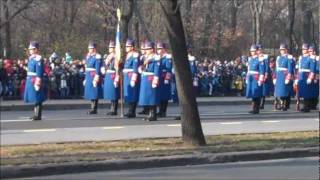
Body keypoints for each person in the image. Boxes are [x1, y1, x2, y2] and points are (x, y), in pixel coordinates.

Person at [23, 41, 46, 120]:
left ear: (36, 49)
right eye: (30, 49)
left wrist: (38, 82)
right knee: (35, 98)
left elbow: (39, 71)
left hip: (35, 80)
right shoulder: (31, 58)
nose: (30, 51)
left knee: (38, 98)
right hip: (30, 79)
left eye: (32, 49)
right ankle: (35, 114)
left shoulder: (38, 59)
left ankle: (38, 115)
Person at [138, 40, 161, 121]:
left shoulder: (155, 57)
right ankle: (150, 114)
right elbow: (143, 66)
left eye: (148, 49)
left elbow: (157, 69)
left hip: (151, 78)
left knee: (152, 97)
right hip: (145, 78)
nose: (146, 50)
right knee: (147, 97)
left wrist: (155, 79)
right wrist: (141, 68)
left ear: (151, 49)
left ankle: (153, 115)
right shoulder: (146, 57)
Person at [295, 43, 315, 112]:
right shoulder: (301, 58)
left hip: (307, 76)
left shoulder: (311, 58)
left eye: (305, 49)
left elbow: (312, 69)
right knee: (302, 92)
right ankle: (304, 106)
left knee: (307, 92)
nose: (303, 50)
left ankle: (307, 106)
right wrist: (297, 78)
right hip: (301, 76)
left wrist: (310, 78)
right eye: (303, 49)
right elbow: (299, 69)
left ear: (308, 50)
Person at [273, 43, 294, 111]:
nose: (281, 51)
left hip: (285, 75)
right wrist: (274, 77)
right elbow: (276, 68)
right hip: (279, 75)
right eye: (281, 50)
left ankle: (285, 105)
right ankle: (281, 104)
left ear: (286, 50)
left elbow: (290, 69)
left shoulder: (289, 57)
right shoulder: (279, 58)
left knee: (285, 91)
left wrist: (288, 77)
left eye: (283, 49)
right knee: (280, 91)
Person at [84, 41, 103, 114]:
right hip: (89, 75)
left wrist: (96, 77)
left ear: (94, 49)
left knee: (94, 92)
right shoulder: (89, 56)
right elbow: (87, 67)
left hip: (93, 75)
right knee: (90, 92)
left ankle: (94, 108)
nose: (89, 50)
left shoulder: (97, 56)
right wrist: (85, 78)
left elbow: (98, 68)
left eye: (91, 48)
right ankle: (92, 107)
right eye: (89, 48)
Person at [245, 44, 265, 114]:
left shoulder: (260, 59)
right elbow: (248, 70)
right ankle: (253, 108)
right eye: (251, 51)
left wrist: (260, 79)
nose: (252, 52)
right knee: (253, 94)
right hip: (251, 78)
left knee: (257, 94)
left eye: (253, 51)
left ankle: (257, 109)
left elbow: (262, 71)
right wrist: (247, 78)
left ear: (256, 51)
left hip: (256, 78)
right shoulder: (250, 59)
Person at [123, 39, 140, 118]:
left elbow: (135, 68)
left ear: (132, 47)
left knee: (133, 94)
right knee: (128, 94)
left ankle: (132, 111)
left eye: (128, 46)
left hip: (131, 76)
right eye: (126, 46)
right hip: (126, 76)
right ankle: (130, 110)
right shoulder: (127, 55)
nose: (126, 47)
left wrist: (134, 78)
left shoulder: (135, 55)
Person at [102, 41, 120, 115]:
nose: (109, 48)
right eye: (109, 47)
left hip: (113, 74)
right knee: (110, 92)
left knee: (114, 93)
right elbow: (106, 65)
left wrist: (117, 76)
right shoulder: (109, 56)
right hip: (108, 74)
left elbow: (117, 68)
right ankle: (111, 108)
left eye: (111, 47)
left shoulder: (116, 56)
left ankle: (114, 109)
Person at [156, 41, 172, 118]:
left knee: (164, 96)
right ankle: (160, 110)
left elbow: (169, 69)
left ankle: (163, 111)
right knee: (159, 95)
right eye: (157, 48)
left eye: (160, 48)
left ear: (164, 49)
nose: (158, 50)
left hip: (164, 78)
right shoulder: (158, 57)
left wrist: (167, 78)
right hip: (159, 78)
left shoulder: (167, 57)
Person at [256, 44, 271, 109]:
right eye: (258, 50)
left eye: (259, 49)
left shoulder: (265, 56)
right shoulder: (255, 57)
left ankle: (262, 104)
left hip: (263, 74)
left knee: (263, 90)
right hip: (257, 74)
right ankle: (257, 104)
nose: (259, 51)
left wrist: (266, 74)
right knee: (258, 89)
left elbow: (267, 66)